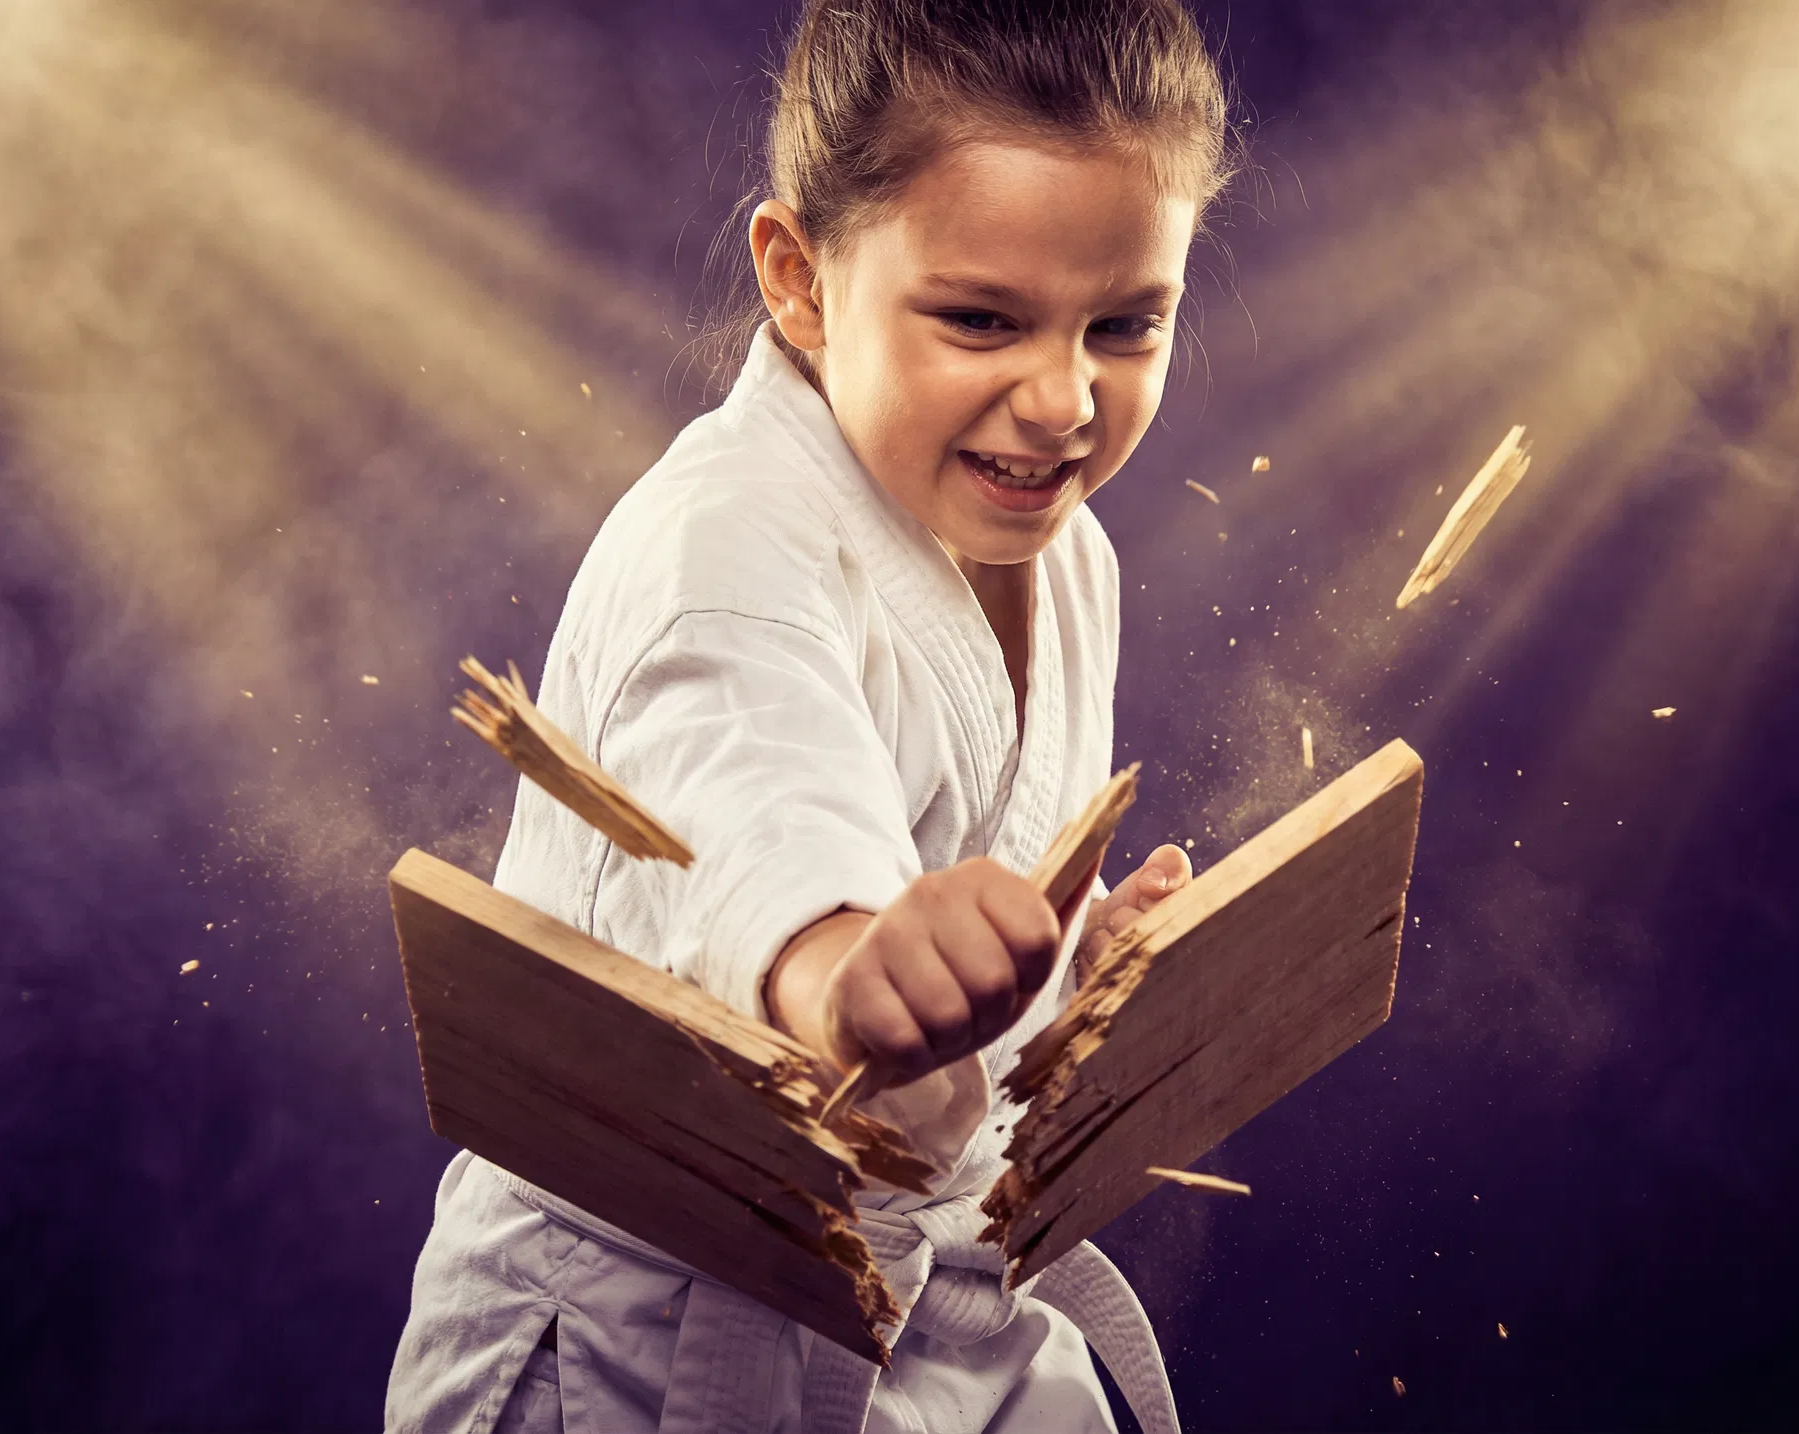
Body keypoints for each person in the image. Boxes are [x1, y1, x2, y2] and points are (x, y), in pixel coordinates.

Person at [386, 1, 1241, 1429]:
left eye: (1125, 324)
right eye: (980, 318)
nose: (1061, 399)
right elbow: (764, 833)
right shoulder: (720, 550)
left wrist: (1059, 979)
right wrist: (851, 964)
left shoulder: (1063, 549)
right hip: (630, 1348)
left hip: (934, 1316)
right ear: (799, 279)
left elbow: (961, 891)